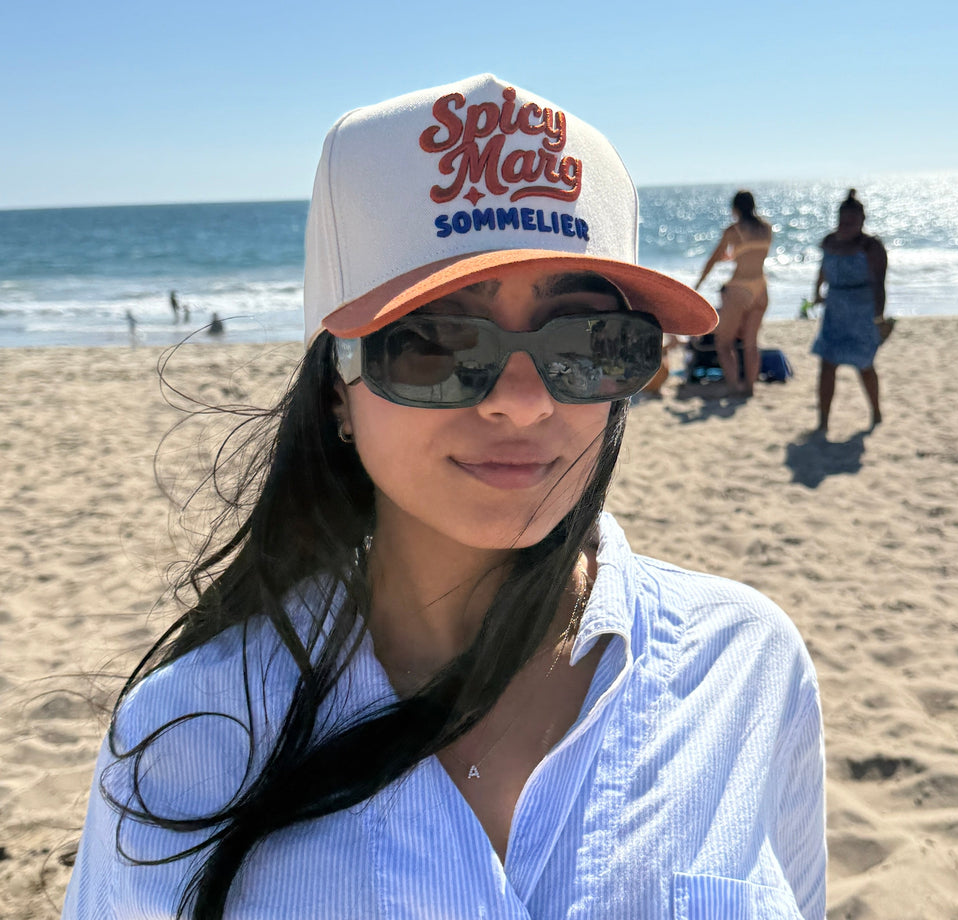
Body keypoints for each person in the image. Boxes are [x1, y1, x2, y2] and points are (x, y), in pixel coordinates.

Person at [62, 75, 826, 920]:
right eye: (434, 343)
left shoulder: (744, 668)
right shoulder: (184, 735)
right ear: (335, 391)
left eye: (589, 341)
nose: (524, 400)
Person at [811, 189, 887, 433]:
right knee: (827, 366)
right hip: (834, 310)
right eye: (843, 220)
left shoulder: (871, 246)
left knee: (864, 365)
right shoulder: (830, 241)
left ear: (862, 221)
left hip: (862, 311)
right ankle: (823, 421)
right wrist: (816, 292)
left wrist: (879, 317)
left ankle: (876, 412)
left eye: (851, 221)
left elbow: (880, 283)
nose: (846, 225)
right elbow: (822, 269)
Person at [694, 190, 773, 396]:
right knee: (751, 343)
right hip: (761, 288)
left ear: (735, 209)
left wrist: (699, 284)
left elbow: (712, 259)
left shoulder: (733, 230)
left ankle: (734, 386)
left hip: (740, 288)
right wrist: (733, 255)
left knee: (724, 342)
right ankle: (750, 387)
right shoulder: (766, 228)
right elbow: (753, 254)